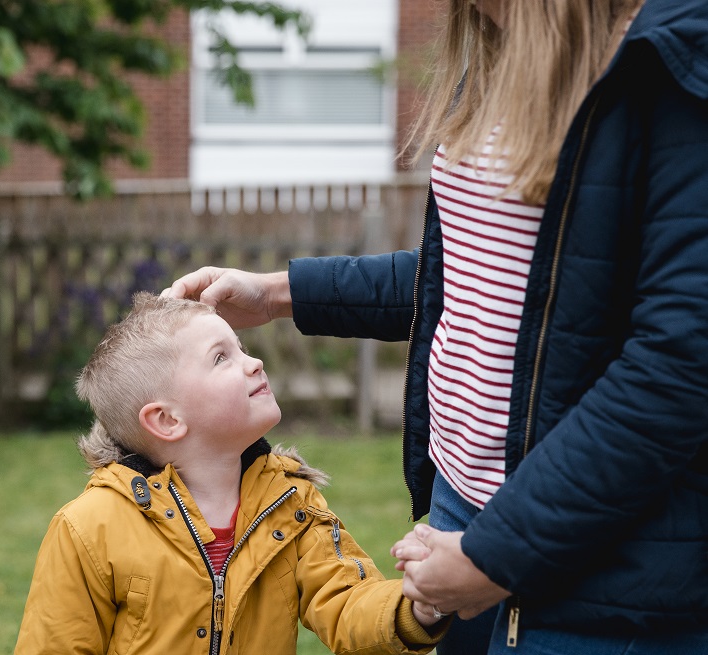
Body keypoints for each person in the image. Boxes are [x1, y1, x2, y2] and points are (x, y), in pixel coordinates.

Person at [162, 1, 708, 653]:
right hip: (462, 513)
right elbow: (480, 272)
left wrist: (497, 554)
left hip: (593, 564)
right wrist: (279, 293)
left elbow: (676, 369)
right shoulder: (499, 49)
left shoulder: (669, 65)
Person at [13, 292, 449, 655]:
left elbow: (347, 600)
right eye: (221, 358)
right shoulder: (90, 528)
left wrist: (415, 606)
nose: (254, 361)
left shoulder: (290, 505)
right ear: (166, 420)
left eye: (241, 347)